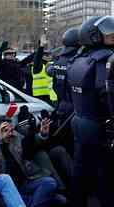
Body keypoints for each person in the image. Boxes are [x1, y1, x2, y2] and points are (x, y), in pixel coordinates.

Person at [67, 16, 114, 207]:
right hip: (97, 122)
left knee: (80, 167)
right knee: (105, 171)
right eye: (107, 32)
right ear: (94, 36)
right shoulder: (104, 59)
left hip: (79, 119)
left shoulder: (79, 59)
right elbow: (106, 92)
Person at [0, 115, 63, 207]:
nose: (10, 133)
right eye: (5, 130)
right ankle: (46, 199)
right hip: (7, 190)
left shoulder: (15, 136)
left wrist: (42, 134)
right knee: (56, 199)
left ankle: (39, 199)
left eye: (11, 130)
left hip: (25, 183)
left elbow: (30, 145)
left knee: (50, 182)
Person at [46, 28, 81, 155]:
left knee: (65, 142)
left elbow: (49, 71)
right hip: (76, 109)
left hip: (61, 106)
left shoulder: (59, 60)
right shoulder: (77, 61)